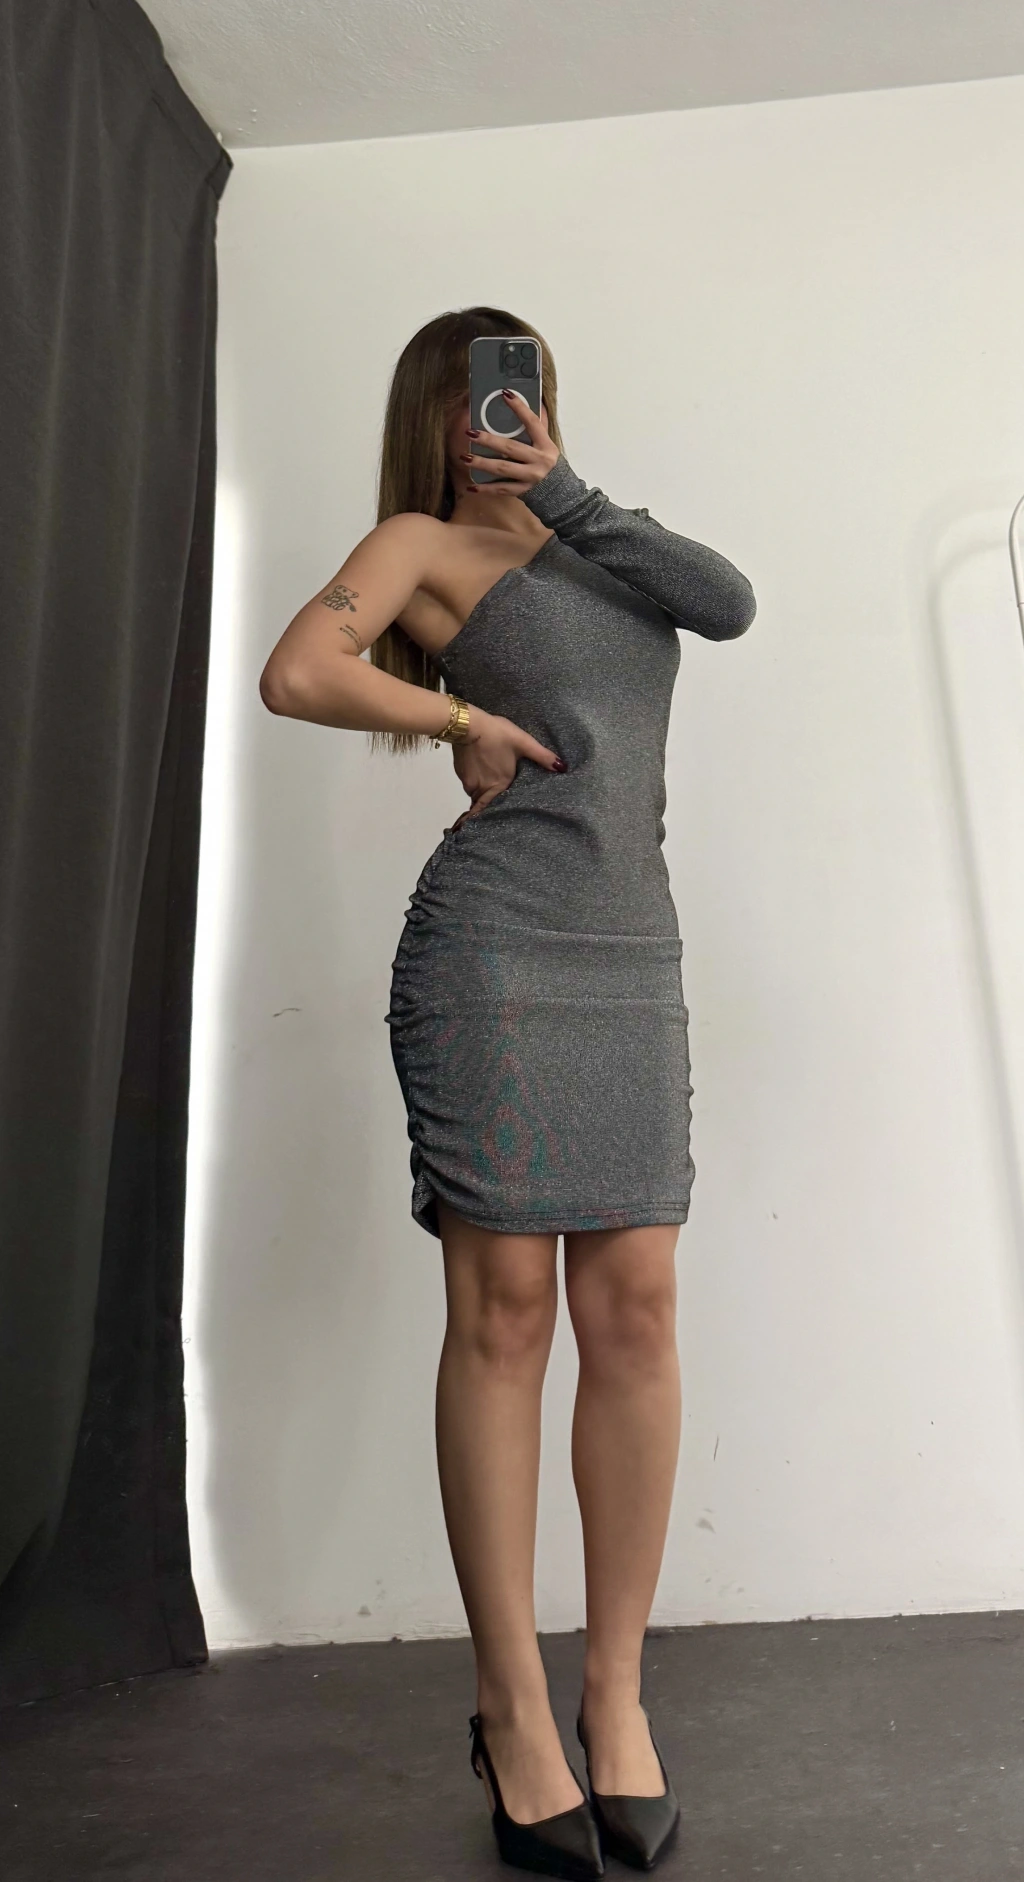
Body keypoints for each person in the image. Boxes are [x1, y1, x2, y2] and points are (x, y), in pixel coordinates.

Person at [259, 307, 756, 1879]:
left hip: (630, 954)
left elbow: (732, 604)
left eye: (531, 381)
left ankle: (614, 1694)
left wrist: (571, 493)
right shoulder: (417, 545)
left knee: (640, 1310)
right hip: (493, 952)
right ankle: (513, 1704)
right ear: (442, 408)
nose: (513, 408)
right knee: (506, 1314)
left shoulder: (610, 543)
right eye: (490, 388)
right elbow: (298, 669)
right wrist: (460, 717)